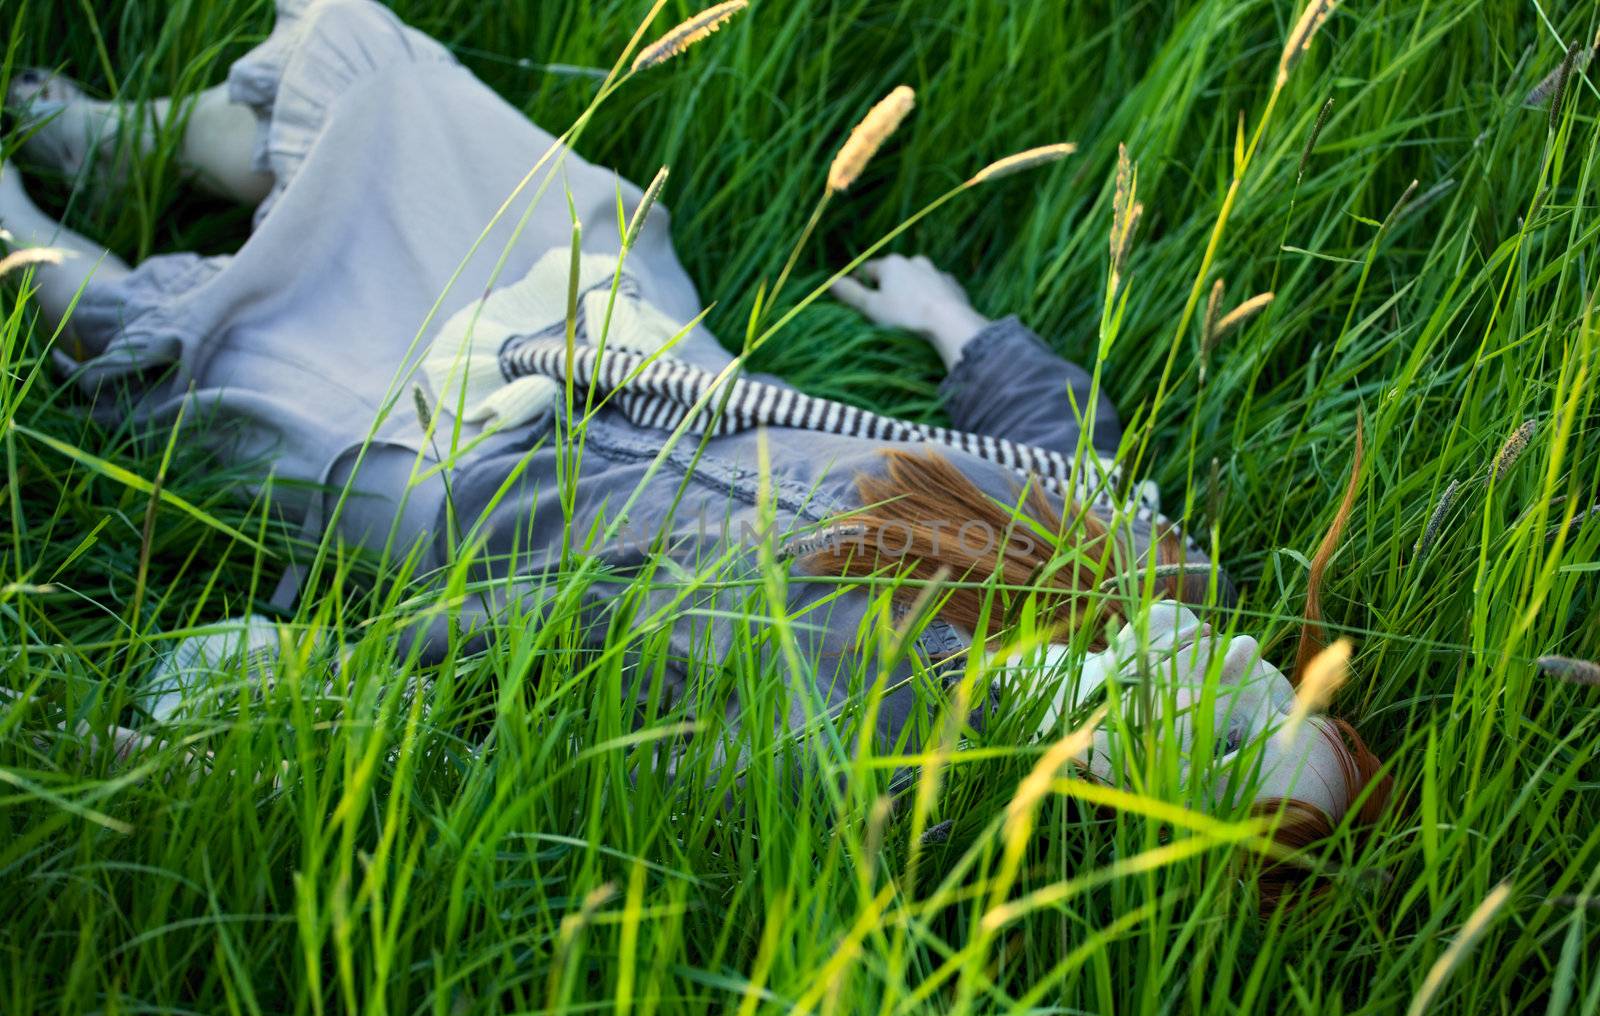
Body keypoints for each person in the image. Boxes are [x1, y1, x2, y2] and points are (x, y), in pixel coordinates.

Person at [2, 0, 1387, 900]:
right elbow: (1061, 434)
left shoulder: (881, 765)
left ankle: (25, 225)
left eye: (1218, 745)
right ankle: (138, 147)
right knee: (389, 90)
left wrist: (342, 678)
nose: (1222, 684)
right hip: (641, 359)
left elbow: (543, 683)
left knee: (184, 355)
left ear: (1131, 792)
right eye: (1278, 702)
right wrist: (955, 323)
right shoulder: (1132, 567)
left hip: (481, 487)